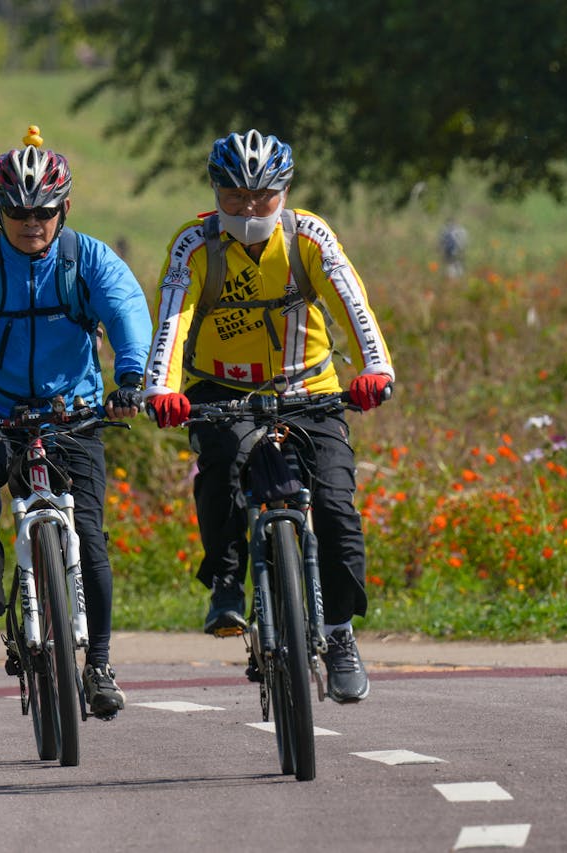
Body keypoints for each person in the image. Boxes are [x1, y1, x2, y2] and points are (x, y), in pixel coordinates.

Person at [0, 127, 153, 719]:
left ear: (63, 209)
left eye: (43, 211)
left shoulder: (89, 260)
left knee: (89, 539)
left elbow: (126, 315)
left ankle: (97, 663)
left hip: (73, 410)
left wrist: (130, 382)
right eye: (17, 211)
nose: (31, 222)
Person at [143, 130, 393, 703]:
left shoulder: (309, 234)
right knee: (220, 467)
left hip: (309, 387)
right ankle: (227, 582)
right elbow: (172, 318)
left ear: (284, 192)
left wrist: (376, 370)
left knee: (334, 506)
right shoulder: (194, 244)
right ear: (215, 192)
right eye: (234, 196)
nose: (249, 208)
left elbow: (354, 302)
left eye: (262, 196)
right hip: (220, 388)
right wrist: (163, 389)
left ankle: (340, 632)